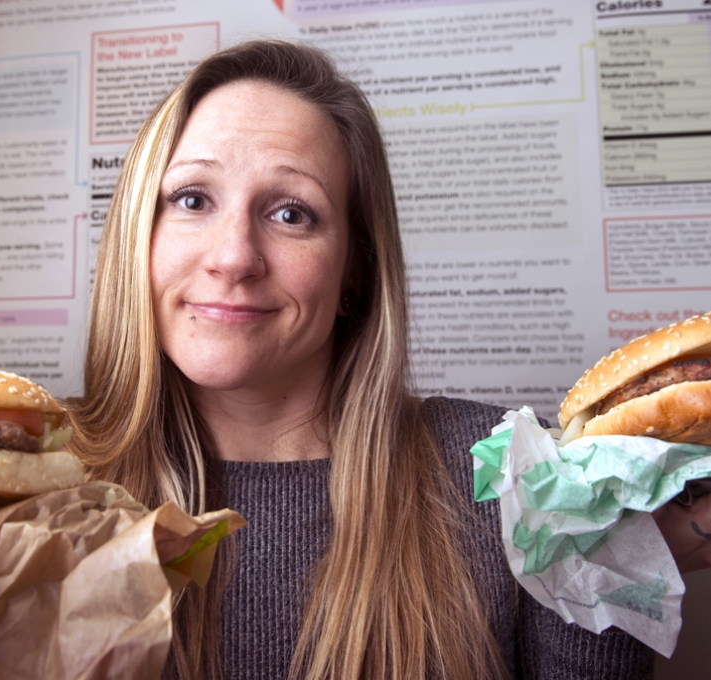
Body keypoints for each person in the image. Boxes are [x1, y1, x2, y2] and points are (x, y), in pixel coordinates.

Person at [65, 40, 656, 679]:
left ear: (356, 269)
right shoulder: (33, 481)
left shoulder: (511, 470)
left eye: (291, 213)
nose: (234, 257)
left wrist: (613, 563)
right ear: (136, 236)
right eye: (191, 200)